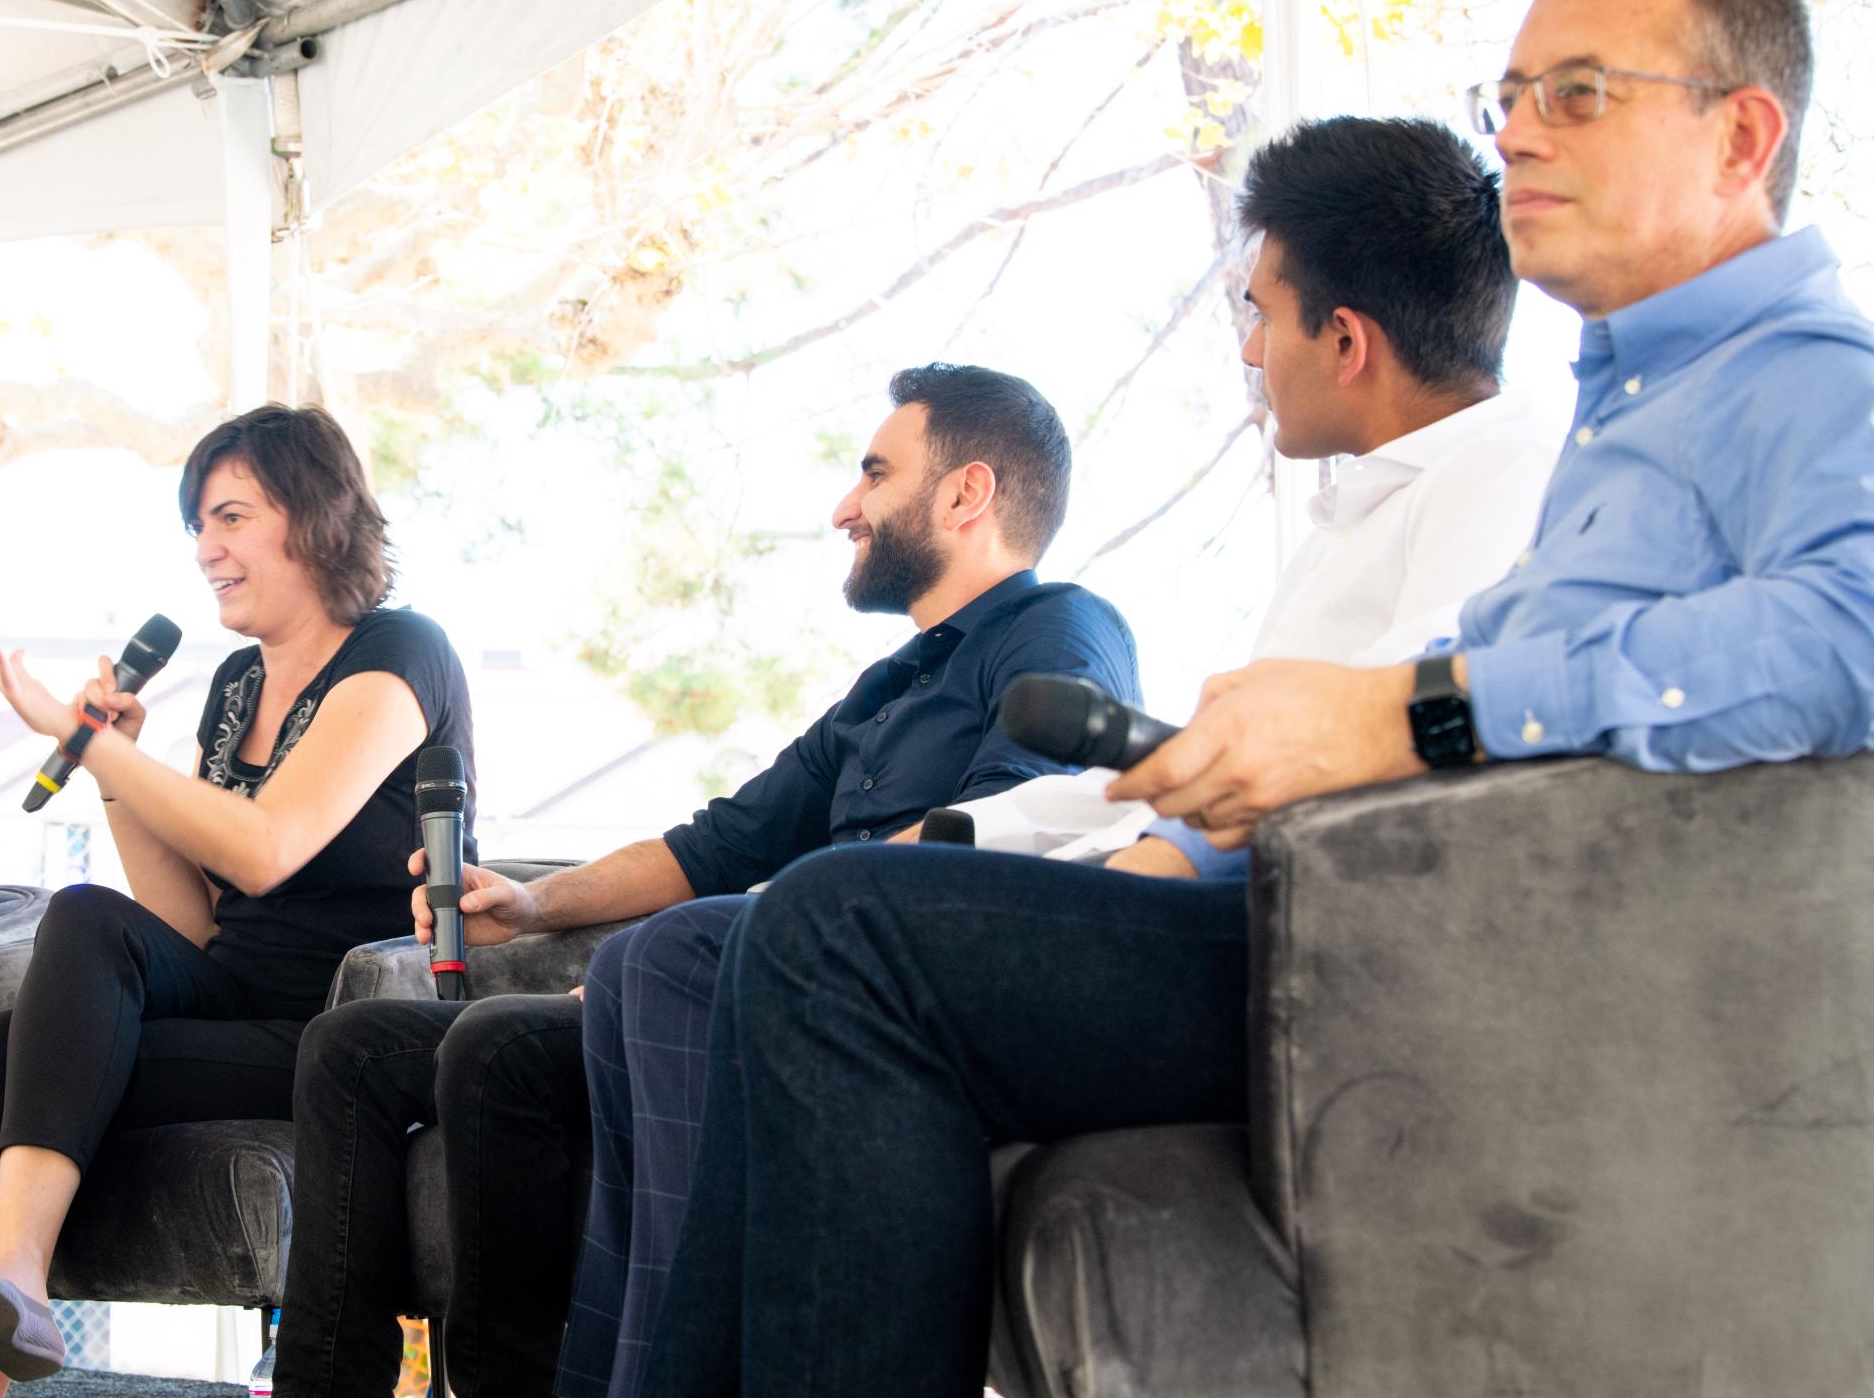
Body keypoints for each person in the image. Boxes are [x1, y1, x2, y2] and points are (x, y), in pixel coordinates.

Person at [641, 0, 1874, 1398]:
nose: (1522, 141)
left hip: (1436, 973)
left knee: (842, 931)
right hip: (1365, 920)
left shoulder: (1804, 378)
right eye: (1514, 97)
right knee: (808, 933)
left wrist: (1406, 714)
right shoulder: (1633, 405)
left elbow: (1849, 632)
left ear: (1742, 135)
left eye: (1582, 94)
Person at [564, 112, 1558, 1398]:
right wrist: (971, 836)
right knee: (807, 920)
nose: (1249, 351)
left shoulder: (1508, 469)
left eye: (1260, 314)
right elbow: (1182, 759)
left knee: (833, 919)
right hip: (1246, 912)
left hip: (1320, 945)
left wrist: (1164, 845)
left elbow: (1380, 741)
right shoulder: (1352, 514)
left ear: (1347, 339)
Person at [274, 364, 1141, 1398]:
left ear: (965, 494)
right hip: (769, 967)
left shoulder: (1059, 629)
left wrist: (761, 933)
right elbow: (713, 846)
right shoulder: (886, 685)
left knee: (593, 997)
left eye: (872, 474)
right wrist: (530, 899)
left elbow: (1002, 841)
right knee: (414, 1042)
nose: (842, 507)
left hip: (863, 999)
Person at [0, 403, 475, 1394]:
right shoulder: (232, 686)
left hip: (338, 1027)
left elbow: (266, 850)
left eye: (228, 517)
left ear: (314, 514)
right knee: (50, 965)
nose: (204, 549)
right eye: (197, 525)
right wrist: (116, 763)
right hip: (234, 994)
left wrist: (84, 739)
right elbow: (191, 920)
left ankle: (9, 1292)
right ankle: (8, 1295)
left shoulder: (399, 651)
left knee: (9, 1055)